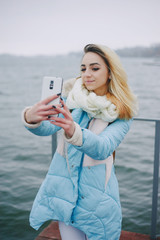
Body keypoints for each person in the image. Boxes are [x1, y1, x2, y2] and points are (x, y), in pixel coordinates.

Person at [22, 44, 138, 240]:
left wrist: (73, 130)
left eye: (94, 68)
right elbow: (47, 128)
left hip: (97, 202)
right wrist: (31, 117)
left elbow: (103, 148)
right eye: (83, 69)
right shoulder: (72, 100)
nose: (87, 74)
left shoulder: (123, 112)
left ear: (110, 72)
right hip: (65, 198)